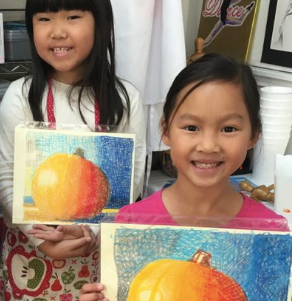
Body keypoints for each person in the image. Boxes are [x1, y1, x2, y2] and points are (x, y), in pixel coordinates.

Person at [78, 54, 289, 301]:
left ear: (253, 136)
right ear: (166, 131)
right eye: (191, 128)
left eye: (228, 129)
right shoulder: (131, 224)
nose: (208, 146)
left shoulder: (272, 233)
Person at [0, 0, 146, 299]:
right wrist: (41, 239)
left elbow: (133, 181)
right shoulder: (21, 95)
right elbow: (3, 175)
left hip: (98, 255)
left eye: (73, 17)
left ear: (100, 23)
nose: (58, 31)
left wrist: (93, 234)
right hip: (29, 255)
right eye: (44, 18)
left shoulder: (125, 99)